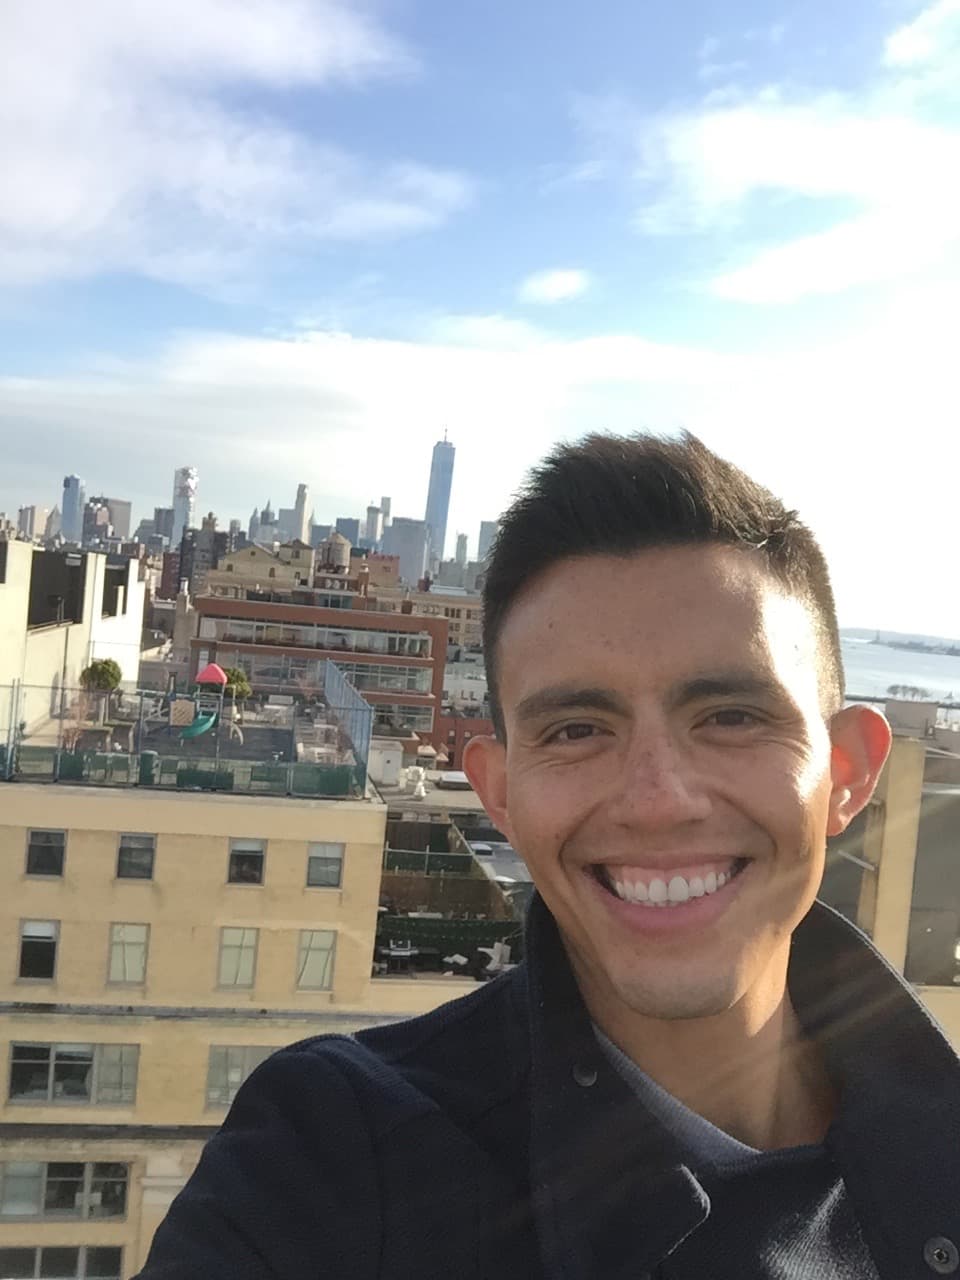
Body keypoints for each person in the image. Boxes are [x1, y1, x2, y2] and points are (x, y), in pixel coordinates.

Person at [136, 433, 960, 1280]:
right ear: (500, 795)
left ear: (848, 774)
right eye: (576, 731)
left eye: (731, 717)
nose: (657, 799)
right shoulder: (330, 1168)